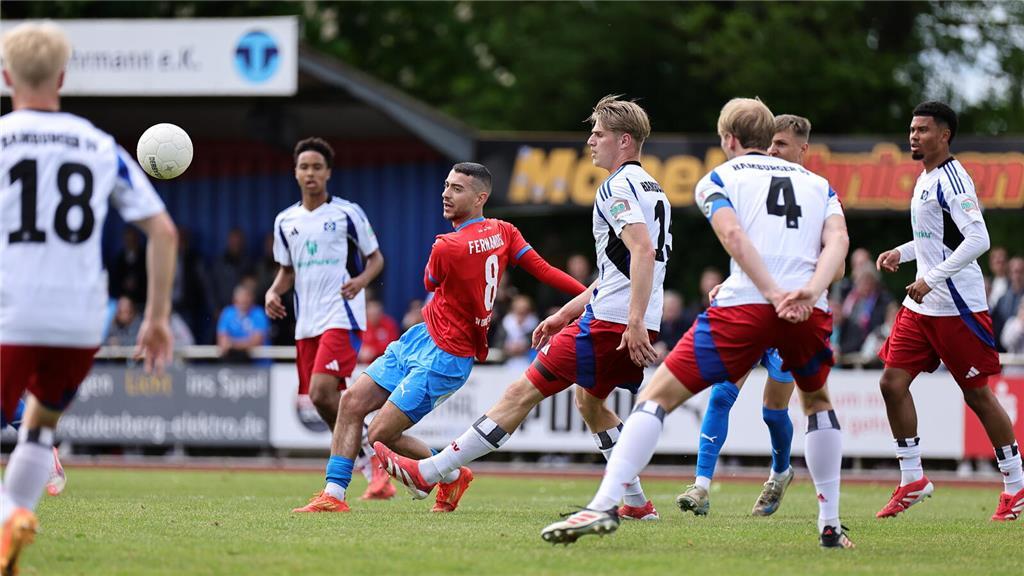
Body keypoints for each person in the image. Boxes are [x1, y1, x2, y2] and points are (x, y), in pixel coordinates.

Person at [538, 97, 853, 548]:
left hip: (747, 303)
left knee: (657, 396)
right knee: (818, 403)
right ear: (768, 139)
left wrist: (769, 291)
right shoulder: (820, 185)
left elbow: (734, 236)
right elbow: (838, 241)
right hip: (807, 308)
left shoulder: (718, 179)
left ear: (728, 139)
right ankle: (829, 524)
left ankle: (605, 503)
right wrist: (808, 289)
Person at [375, 95, 671, 522]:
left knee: (520, 392)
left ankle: (430, 471)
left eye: (598, 133)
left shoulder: (616, 187)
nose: (590, 140)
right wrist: (566, 313)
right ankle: (637, 502)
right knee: (589, 403)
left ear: (624, 141)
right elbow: (621, 268)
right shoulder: (651, 187)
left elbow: (641, 251)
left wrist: (635, 320)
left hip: (615, 320)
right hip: (624, 314)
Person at [292, 162, 586, 514]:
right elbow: (545, 271)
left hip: (446, 355)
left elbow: (429, 282)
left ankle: (449, 474)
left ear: (480, 198)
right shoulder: (505, 231)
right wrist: (588, 297)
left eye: (457, 189)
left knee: (381, 434)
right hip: (422, 337)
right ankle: (333, 495)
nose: (446, 194)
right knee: (351, 401)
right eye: (446, 185)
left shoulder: (447, 245)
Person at [0, 21, 178, 575]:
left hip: (12, 310)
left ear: (7, 78)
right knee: (38, 428)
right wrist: (157, 317)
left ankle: (10, 515)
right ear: (62, 77)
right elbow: (164, 232)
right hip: (78, 321)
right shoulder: (99, 144)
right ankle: (14, 519)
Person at [676, 113, 845, 519]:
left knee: (774, 410)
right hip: (752, 306)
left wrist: (806, 285)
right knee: (722, 392)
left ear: (803, 150)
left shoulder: (815, 191)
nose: (773, 152)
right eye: (770, 144)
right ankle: (700, 486)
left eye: (782, 145)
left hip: (794, 315)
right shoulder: (757, 182)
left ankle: (780, 472)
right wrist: (735, 285)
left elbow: (836, 264)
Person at [874, 101, 1022, 521]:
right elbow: (933, 239)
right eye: (911, 129)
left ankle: (1016, 484)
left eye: (922, 130)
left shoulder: (955, 179)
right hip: (922, 306)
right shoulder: (926, 178)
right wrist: (901, 254)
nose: (913, 136)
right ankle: (912, 478)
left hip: (957, 305)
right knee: (891, 382)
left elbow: (978, 240)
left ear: (945, 135)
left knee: (977, 394)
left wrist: (931, 277)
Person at [264, 137, 392, 497]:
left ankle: (354, 475)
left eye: (317, 167)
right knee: (321, 400)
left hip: (342, 314)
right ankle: (372, 462)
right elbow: (287, 270)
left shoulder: (347, 213)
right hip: (307, 321)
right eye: (304, 167)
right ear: (295, 172)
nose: (310, 173)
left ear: (328, 172)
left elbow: (376, 258)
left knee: (323, 390)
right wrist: (273, 291)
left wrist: (361, 282)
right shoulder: (284, 221)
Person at [216, 284, 269, 362]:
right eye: (241, 299)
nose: (244, 301)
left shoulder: (258, 313)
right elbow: (222, 341)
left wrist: (232, 344)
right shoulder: (227, 313)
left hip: (258, 364)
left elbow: (256, 341)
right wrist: (244, 344)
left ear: (252, 299)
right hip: (233, 362)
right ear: (234, 300)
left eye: (247, 298)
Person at [992, 257, 1024, 353]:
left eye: (1020, 272)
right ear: (1009, 274)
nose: (1017, 276)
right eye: (1014, 272)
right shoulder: (1001, 300)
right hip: (1004, 352)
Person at [357, 299, 400, 364]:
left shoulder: (389, 324)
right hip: (363, 364)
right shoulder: (361, 325)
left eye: (376, 314)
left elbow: (393, 345)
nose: (374, 317)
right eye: (371, 314)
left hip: (384, 363)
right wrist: (360, 351)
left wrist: (374, 351)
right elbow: (355, 343)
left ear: (381, 313)